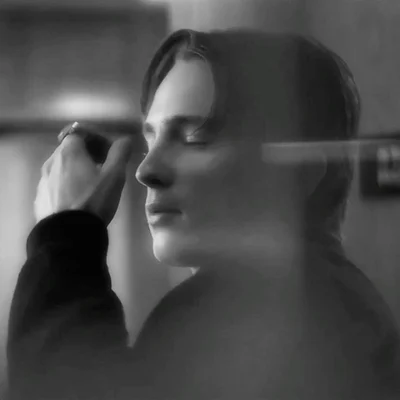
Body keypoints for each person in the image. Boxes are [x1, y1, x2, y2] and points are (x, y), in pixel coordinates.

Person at [6, 29, 400, 400]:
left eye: (194, 138)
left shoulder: (266, 316)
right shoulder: (336, 301)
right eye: (151, 139)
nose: (146, 170)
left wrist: (65, 239)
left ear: (298, 175)